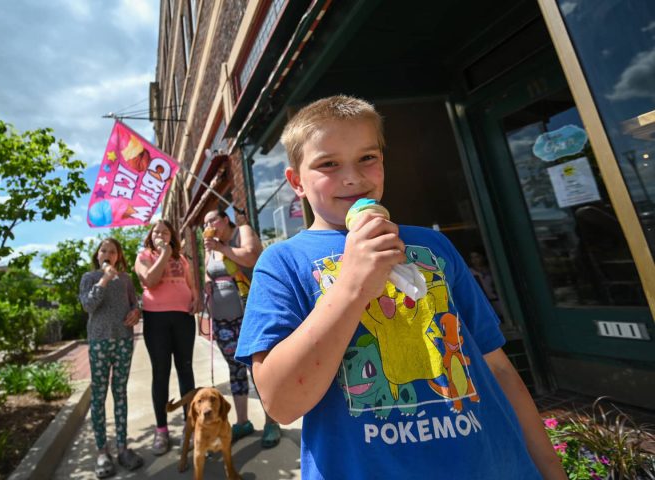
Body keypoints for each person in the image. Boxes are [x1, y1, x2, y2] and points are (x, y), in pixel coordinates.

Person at [234, 95, 566, 479]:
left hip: (493, 465)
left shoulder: (433, 246)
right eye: (328, 164)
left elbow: (497, 367)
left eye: (367, 158)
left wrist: (551, 470)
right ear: (297, 183)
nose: (353, 177)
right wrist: (352, 284)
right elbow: (281, 403)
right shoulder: (281, 263)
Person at [202, 208, 282, 448]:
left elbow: (251, 256)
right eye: (205, 222)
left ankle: (272, 422)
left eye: (212, 219)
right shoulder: (212, 247)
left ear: (225, 220)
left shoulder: (241, 232)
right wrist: (207, 284)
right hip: (224, 320)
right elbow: (209, 273)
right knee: (235, 369)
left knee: (258, 367)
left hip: (251, 311)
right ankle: (243, 421)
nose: (209, 224)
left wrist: (221, 249)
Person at [79, 238, 144, 478]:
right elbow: (88, 305)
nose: (107, 253)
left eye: (112, 251)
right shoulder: (88, 278)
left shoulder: (126, 280)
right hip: (99, 342)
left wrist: (136, 312)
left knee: (120, 393)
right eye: (103, 250)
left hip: (124, 341)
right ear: (97, 255)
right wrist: (104, 279)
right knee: (99, 395)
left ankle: (122, 448)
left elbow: (133, 303)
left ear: (118, 257)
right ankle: (102, 451)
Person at [134, 219, 201, 455]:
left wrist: (195, 299)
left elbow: (191, 285)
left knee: (186, 370)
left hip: (183, 318)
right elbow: (149, 281)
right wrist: (163, 254)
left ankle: (189, 426)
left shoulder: (182, 259)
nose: (161, 235)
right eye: (157, 233)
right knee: (160, 372)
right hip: (156, 320)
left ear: (172, 236)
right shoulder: (144, 256)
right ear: (151, 237)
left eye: (165, 232)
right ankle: (161, 430)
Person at [468, 247, 504, 318]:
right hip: (485, 305)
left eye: (477, 257)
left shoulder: (492, 269)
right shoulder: (470, 272)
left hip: (499, 302)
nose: (475, 260)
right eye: (472, 258)